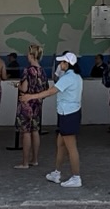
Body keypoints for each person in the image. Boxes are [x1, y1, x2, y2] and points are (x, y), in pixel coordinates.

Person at [21, 52, 83, 188]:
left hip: (68, 114)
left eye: (63, 62)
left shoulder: (69, 78)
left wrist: (30, 97)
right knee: (61, 144)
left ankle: (76, 177)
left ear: (68, 64)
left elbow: (50, 91)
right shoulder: (73, 76)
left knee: (71, 148)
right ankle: (57, 172)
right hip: (66, 113)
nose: (61, 64)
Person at [13, 44, 48, 169]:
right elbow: (45, 88)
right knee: (35, 131)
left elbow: (24, 88)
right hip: (37, 103)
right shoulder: (42, 71)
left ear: (32, 55)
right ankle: (35, 159)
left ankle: (25, 162)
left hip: (26, 102)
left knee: (26, 131)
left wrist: (17, 85)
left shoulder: (28, 71)